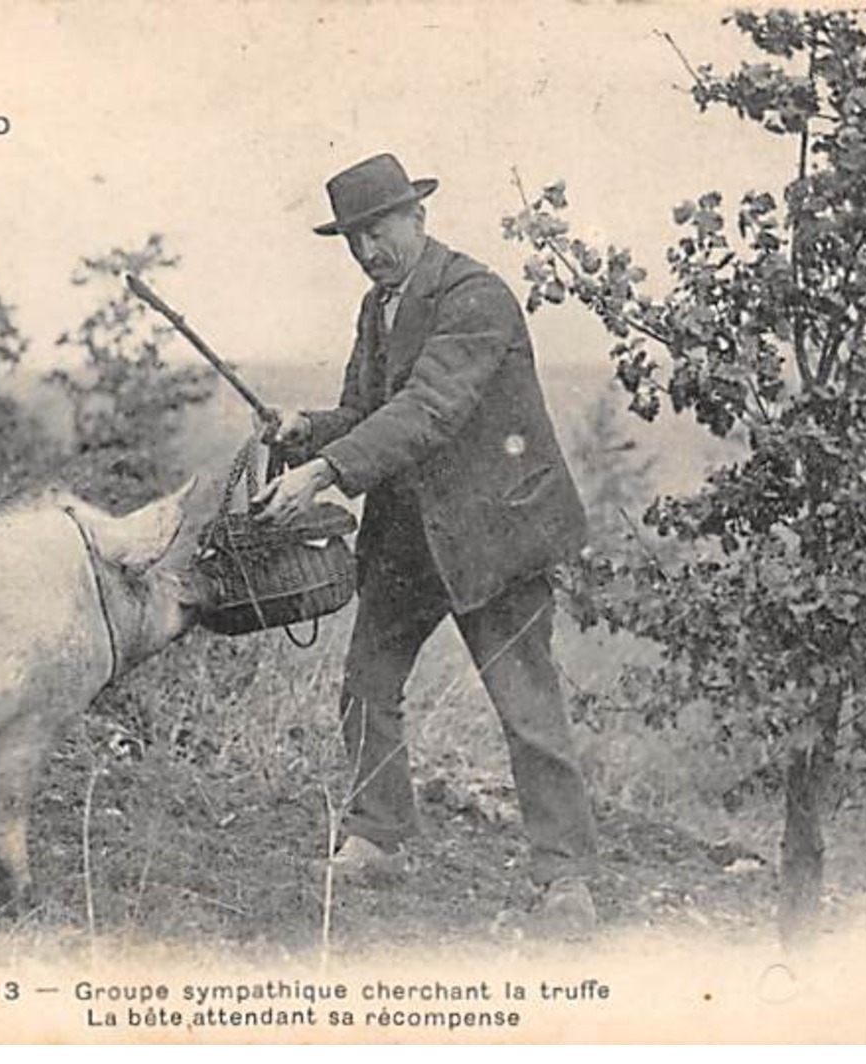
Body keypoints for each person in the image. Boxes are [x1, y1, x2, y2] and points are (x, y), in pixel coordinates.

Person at [252, 152, 598, 935]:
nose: (368, 252)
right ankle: (378, 838)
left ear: (418, 218)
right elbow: (367, 411)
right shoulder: (378, 308)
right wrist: (310, 430)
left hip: (494, 537)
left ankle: (566, 880)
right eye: (353, 241)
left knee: (527, 712)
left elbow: (429, 410)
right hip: (410, 539)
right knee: (366, 687)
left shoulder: (475, 297)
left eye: (378, 232)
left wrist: (322, 474)